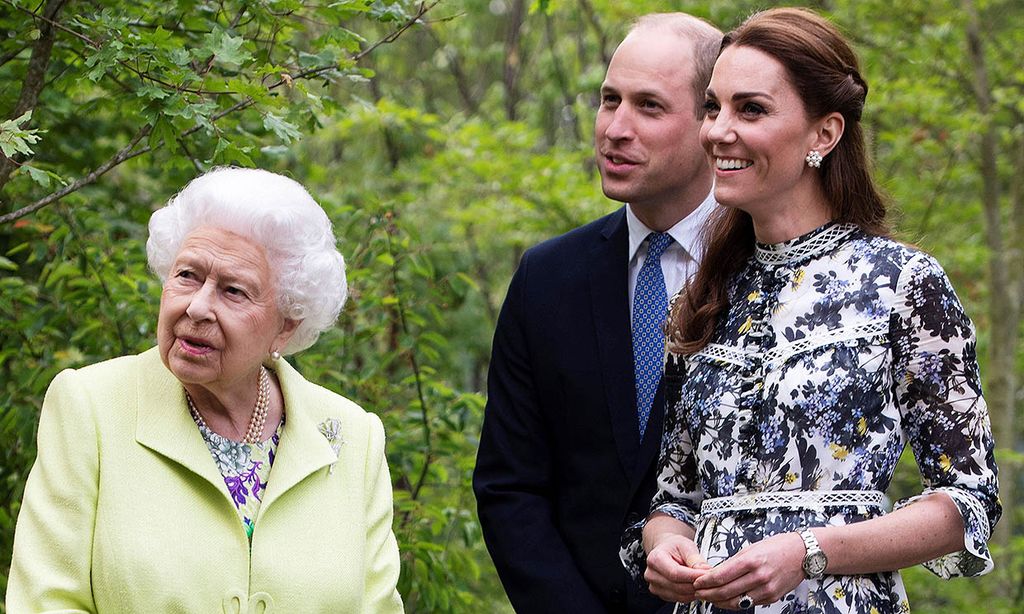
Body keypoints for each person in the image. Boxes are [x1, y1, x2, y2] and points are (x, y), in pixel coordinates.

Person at [621, 8, 1001, 613]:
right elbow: (674, 497)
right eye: (713, 107)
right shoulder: (704, 294)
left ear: (824, 134)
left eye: (751, 110)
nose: (719, 131)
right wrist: (665, 549)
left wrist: (809, 551)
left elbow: (967, 503)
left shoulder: (902, 283)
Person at [7, 167, 404, 613]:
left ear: (287, 325)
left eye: (233, 291)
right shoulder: (91, 406)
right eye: (187, 275)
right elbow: (46, 600)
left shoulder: (353, 436)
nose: (197, 307)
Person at [474, 13, 723, 613]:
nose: (615, 128)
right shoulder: (547, 278)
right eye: (609, 100)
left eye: (649, 107)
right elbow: (510, 486)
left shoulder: (773, 277)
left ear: (710, 122)